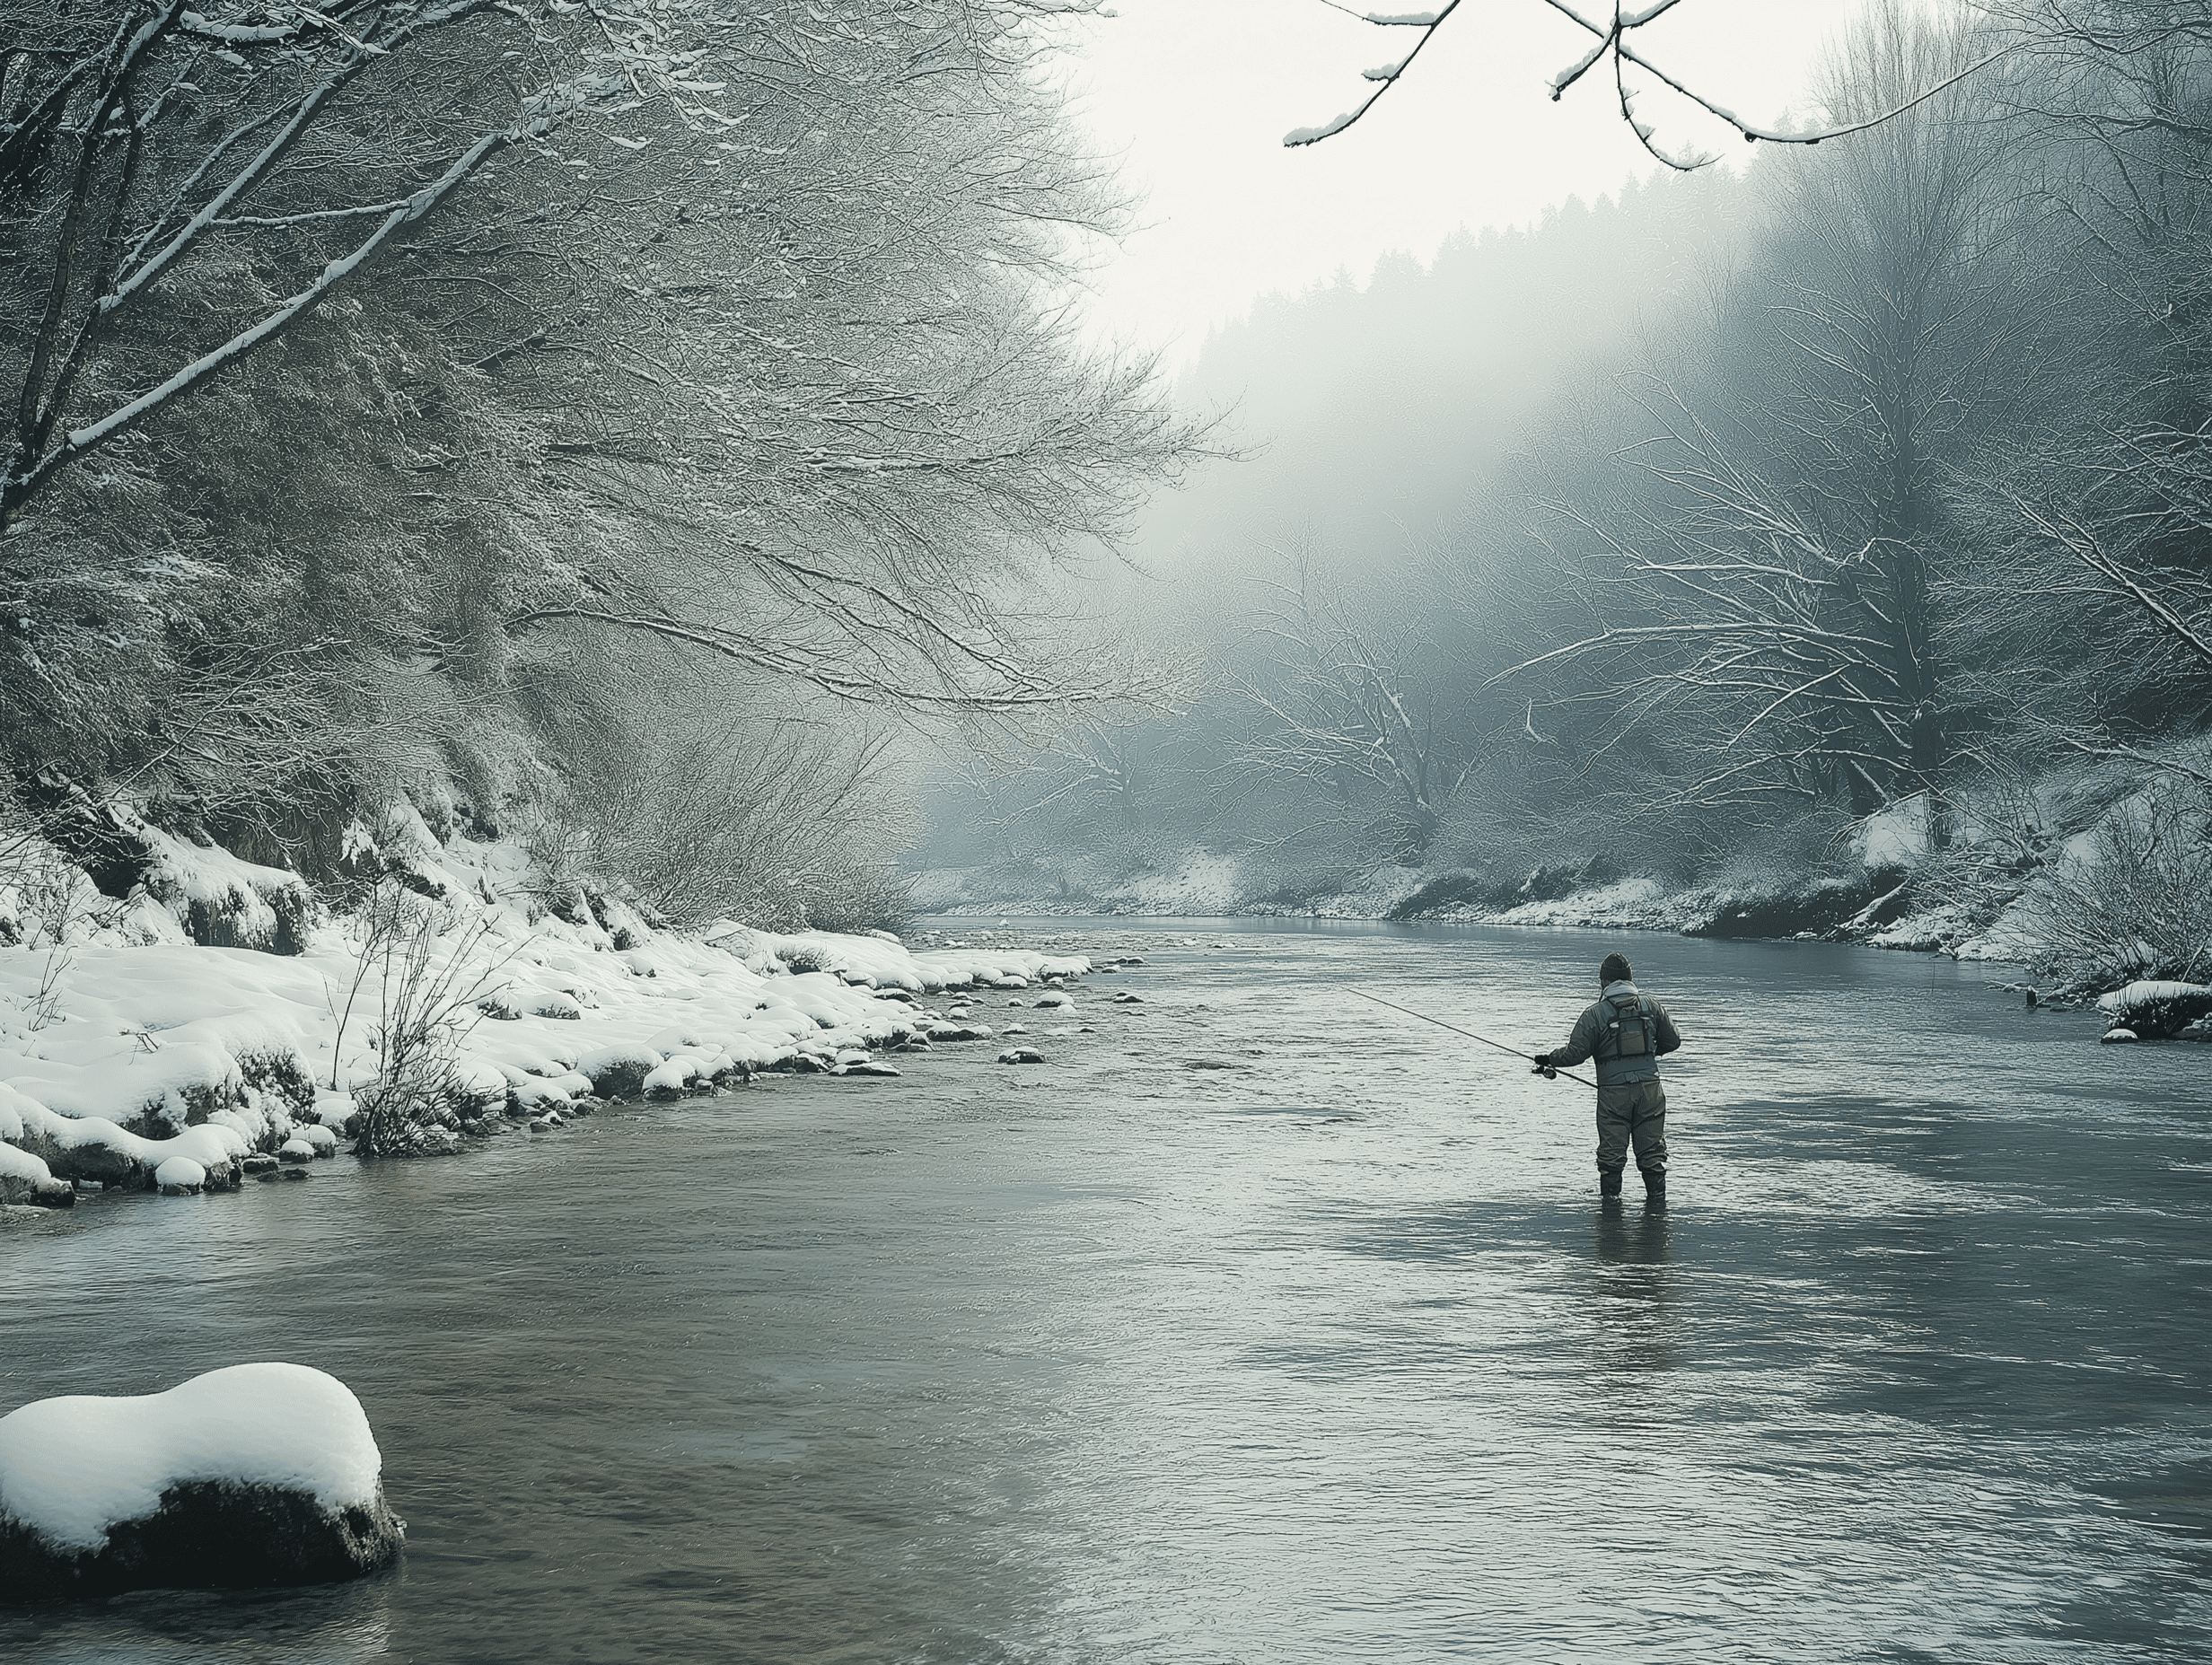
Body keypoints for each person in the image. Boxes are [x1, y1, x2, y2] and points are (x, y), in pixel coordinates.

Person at [1533, 951, 1682, 1201]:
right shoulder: (1651, 1006)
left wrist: (1549, 1059)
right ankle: (1657, 1214)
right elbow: (1674, 1041)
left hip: (1614, 1095)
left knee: (1611, 1158)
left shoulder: (1595, 1014)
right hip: (1651, 1092)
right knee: (1652, 1155)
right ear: (1630, 978)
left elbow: (1574, 1054)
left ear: (1604, 982)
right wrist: (1649, 1053)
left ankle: (1611, 1218)